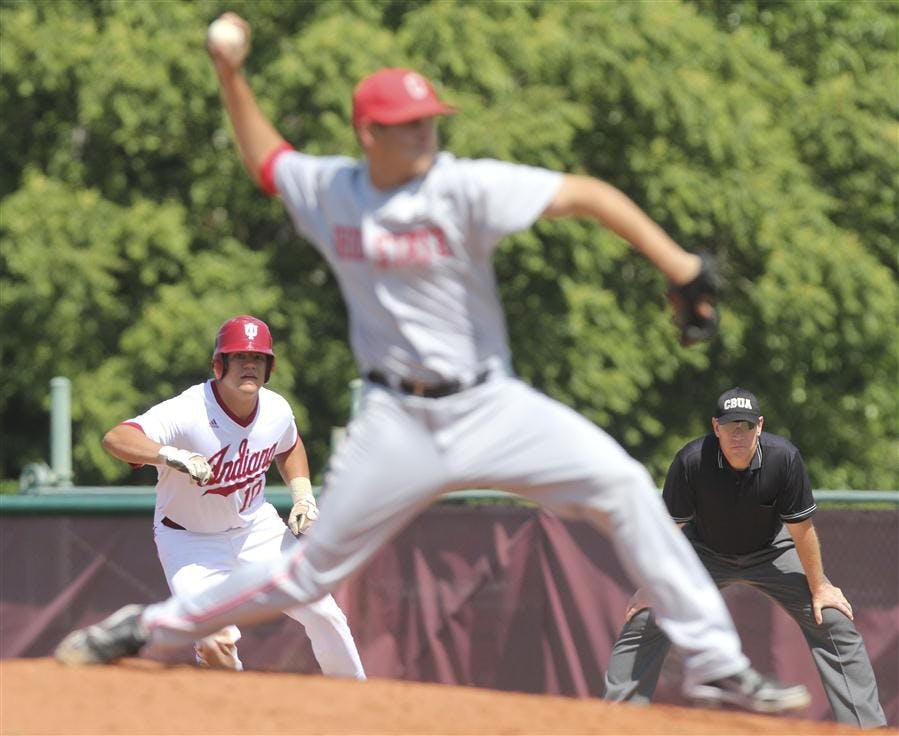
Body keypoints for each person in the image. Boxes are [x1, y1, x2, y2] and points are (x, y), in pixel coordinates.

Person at [56, 12, 810, 714]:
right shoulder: (333, 191)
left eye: (427, 120)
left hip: (492, 404)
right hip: (397, 420)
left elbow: (584, 194)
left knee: (621, 484)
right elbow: (266, 157)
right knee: (310, 576)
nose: (423, 134)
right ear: (368, 133)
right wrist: (230, 74)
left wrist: (680, 267)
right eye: (405, 124)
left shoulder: (462, 185)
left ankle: (716, 660)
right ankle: (146, 626)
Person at [92, 314, 365, 679]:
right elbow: (116, 438)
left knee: (323, 611)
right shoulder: (188, 410)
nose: (249, 365)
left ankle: (356, 698)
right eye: (239, 357)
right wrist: (169, 454)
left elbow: (289, 444)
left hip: (256, 529)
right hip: (191, 541)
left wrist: (303, 495)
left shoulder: (276, 409)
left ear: (270, 367)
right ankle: (234, 706)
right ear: (219, 364)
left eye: (258, 358)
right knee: (214, 640)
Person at [603, 387, 886, 727]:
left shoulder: (783, 458)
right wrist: (652, 586)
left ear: (760, 426)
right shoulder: (692, 460)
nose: (738, 434)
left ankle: (866, 728)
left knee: (832, 618)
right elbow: (669, 530)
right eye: (730, 425)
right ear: (716, 427)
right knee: (646, 617)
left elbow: (801, 531)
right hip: (703, 552)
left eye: (746, 425)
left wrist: (820, 587)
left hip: (771, 552)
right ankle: (615, 724)